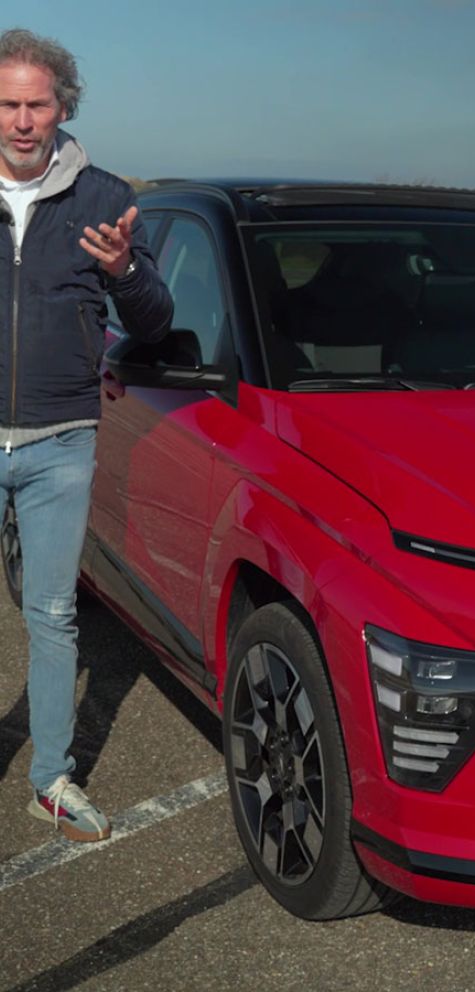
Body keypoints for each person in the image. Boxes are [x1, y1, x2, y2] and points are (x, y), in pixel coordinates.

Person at [0, 28, 173, 841]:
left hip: (61, 441)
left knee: (52, 614)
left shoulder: (105, 198)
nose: (21, 121)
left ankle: (50, 781)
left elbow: (155, 318)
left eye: (37, 105)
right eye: (8, 104)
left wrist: (123, 271)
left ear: (63, 107)